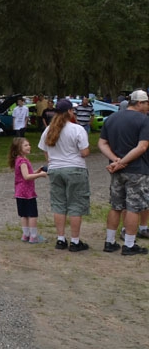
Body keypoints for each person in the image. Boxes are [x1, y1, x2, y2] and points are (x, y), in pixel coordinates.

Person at [96, 89, 149, 255]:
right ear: (139, 103)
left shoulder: (112, 118)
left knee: (116, 206)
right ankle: (129, 245)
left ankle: (110, 241)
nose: (148, 106)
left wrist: (115, 160)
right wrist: (123, 162)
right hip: (137, 170)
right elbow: (142, 147)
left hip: (116, 171)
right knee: (134, 207)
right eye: (147, 103)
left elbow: (102, 143)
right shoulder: (144, 120)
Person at [38, 98, 91, 252]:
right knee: (75, 204)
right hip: (75, 168)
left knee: (59, 204)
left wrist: (52, 161)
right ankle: (75, 241)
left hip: (55, 169)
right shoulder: (77, 129)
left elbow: (45, 150)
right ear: (69, 111)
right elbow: (84, 152)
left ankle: (60, 239)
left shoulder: (49, 130)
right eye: (72, 110)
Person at [9, 137, 48, 243]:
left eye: (29, 144)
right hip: (27, 193)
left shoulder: (19, 159)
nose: (29, 147)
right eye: (25, 145)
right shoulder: (23, 161)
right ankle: (33, 236)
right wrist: (40, 175)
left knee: (24, 214)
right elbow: (26, 177)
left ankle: (26, 235)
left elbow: (25, 174)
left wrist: (36, 171)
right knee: (32, 214)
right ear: (18, 148)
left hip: (20, 192)